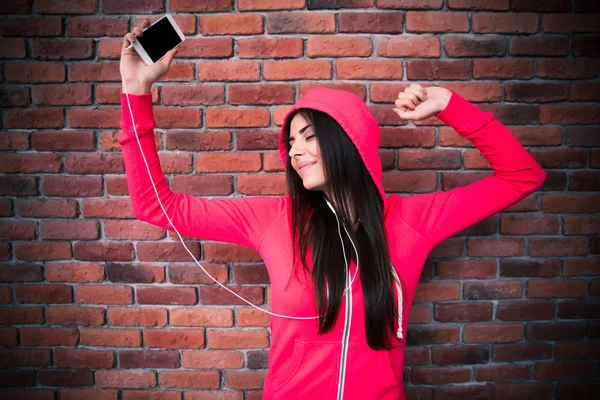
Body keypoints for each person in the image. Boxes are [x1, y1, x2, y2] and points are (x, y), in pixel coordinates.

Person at [119, 20, 546, 400]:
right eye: (290, 142)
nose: (293, 152)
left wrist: (451, 106)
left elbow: (523, 176)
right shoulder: (273, 219)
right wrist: (136, 92)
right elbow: (156, 206)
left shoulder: (412, 222)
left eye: (307, 137)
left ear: (347, 141)